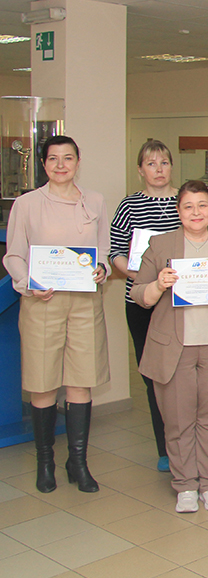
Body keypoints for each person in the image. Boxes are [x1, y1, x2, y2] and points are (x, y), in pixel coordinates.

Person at [130, 181, 208, 513]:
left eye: (202, 205)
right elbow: (138, 293)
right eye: (188, 206)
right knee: (178, 421)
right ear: (178, 211)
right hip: (174, 348)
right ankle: (185, 485)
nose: (195, 212)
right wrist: (159, 285)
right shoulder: (160, 245)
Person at [3, 135, 110, 494]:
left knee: (81, 380)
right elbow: (14, 254)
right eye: (53, 159)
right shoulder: (27, 204)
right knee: (43, 382)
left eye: (68, 158)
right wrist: (27, 282)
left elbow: (103, 251)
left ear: (78, 161)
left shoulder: (94, 201)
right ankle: (45, 461)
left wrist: (101, 269)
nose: (61, 165)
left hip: (83, 303)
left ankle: (77, 462)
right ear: (43, 164)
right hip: (42, 303)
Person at [110, 140, 185, 473]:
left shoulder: (186, 199)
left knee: (189, 375)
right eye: (151, 163)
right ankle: (166, 449)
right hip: (142, 302)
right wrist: (144, 278)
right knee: (156, 377)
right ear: (140, 169)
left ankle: (198, 446)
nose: (159, 169)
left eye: (164, 162)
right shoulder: (129, 205)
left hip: (183, 302)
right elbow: (116, 253)